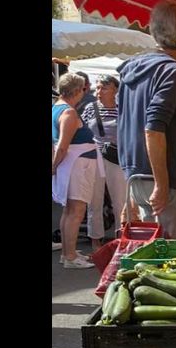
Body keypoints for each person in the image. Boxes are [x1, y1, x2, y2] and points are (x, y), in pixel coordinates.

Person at [117, 0, 176, 238]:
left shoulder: (133, 67)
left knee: (150, 252)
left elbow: (127, 123)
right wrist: (162, 184)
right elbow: (153, 128)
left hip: (137, 175)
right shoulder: (171, 71)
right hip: (163, 176)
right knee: (170, 257)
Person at [51, 73, 99, 268]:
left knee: (69, 210)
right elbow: (62, 145)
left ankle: (67, 252)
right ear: (78, 90)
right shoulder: (69, 112)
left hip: (73, 164)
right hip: (77, 165)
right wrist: (54, 167)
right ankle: (70, 256)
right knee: (76, 210)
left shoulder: (57, 108)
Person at [82, 74, 127, 248]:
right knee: (94, 201)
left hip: (116, 158)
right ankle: (95, 243)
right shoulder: (90, 108)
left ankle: (121, 242)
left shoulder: (123, 109)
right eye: (98, 87)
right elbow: (84, 131)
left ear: (116, 90)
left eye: (104, 88)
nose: (99, 91)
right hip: (94, 157)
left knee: (120, 202)